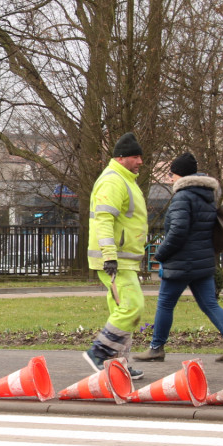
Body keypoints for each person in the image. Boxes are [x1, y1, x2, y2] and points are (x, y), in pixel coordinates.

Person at [133, 152, 223, 363]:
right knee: (210, 304)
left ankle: (156, 347)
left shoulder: (182, 197)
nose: (170, 178)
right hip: (202, 262)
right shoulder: (207, 196)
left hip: (181, 263)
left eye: (171, 174)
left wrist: (160, 254)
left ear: (180, 176)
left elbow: (177, 232)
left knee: (165, 303)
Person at [85, 132, 147, 379]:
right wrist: (109, 256)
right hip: (115, 261)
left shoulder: (126, 180)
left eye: (140, 156)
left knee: (122, 312)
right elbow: (103, 220)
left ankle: (117, 364)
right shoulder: (113, 181)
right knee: (132, 307)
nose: (140, 161)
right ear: (121, 158)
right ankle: (98, 353)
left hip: (123, 260)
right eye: (135, 156)